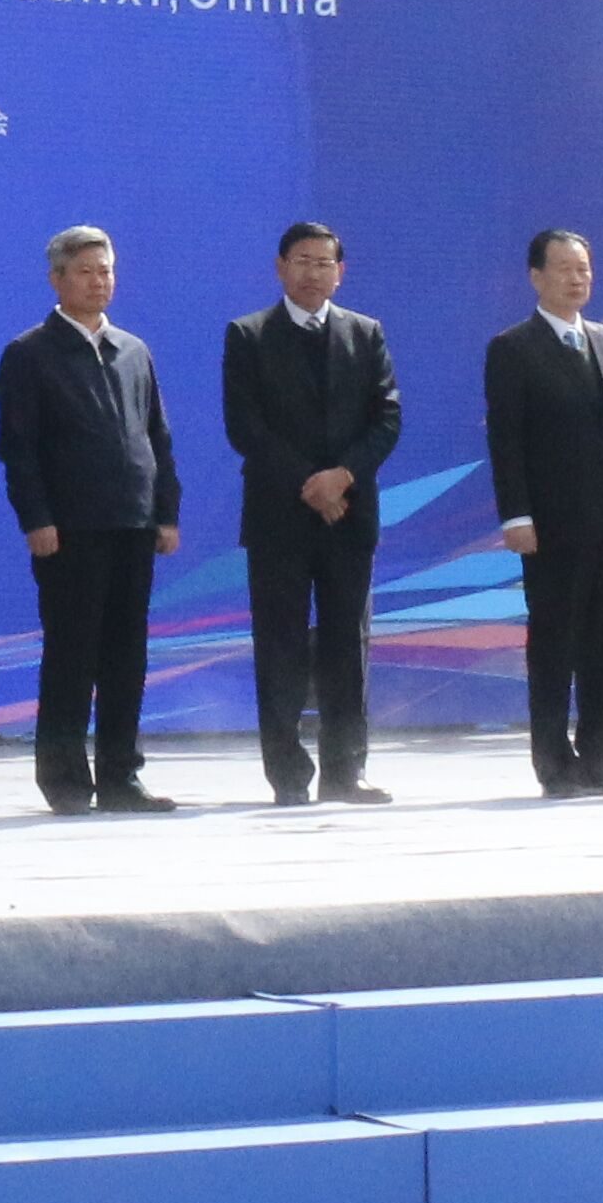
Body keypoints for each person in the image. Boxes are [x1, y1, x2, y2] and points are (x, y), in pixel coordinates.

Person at [0, 224, 187, 815]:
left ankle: (122, 776)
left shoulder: (133, 350)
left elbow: (157, 438)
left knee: (127, 657)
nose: (98, 281)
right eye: (85, 271)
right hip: (69, 529)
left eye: (105, 270)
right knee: (72, 655)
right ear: (57, 279)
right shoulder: (30, 353)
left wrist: (166, 512)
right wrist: (36, 518)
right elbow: (19, 449)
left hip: (133, 523)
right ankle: (65, 780)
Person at [226, 222, 403, 806]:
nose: (313, 272)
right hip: (279, 516)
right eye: (302, 261)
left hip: (350, 513)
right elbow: (245, 427)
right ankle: (288, 774)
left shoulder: (365, 333)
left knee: (347, 645)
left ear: (340, 273)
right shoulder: (249, 335)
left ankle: (346, 771)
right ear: (281, 267)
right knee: (279, 645)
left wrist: (342, 476)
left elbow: (387, 419)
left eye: (325, 263)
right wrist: (310, 482)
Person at [487, 230, 603, 798]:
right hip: (550, 524)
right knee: (554, 644)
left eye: (583, 268)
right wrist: (516, 516)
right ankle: (554, 763)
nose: (577, 278)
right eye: (564, 268)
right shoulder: (513, 348)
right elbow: (507, 442)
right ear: (536, 277)